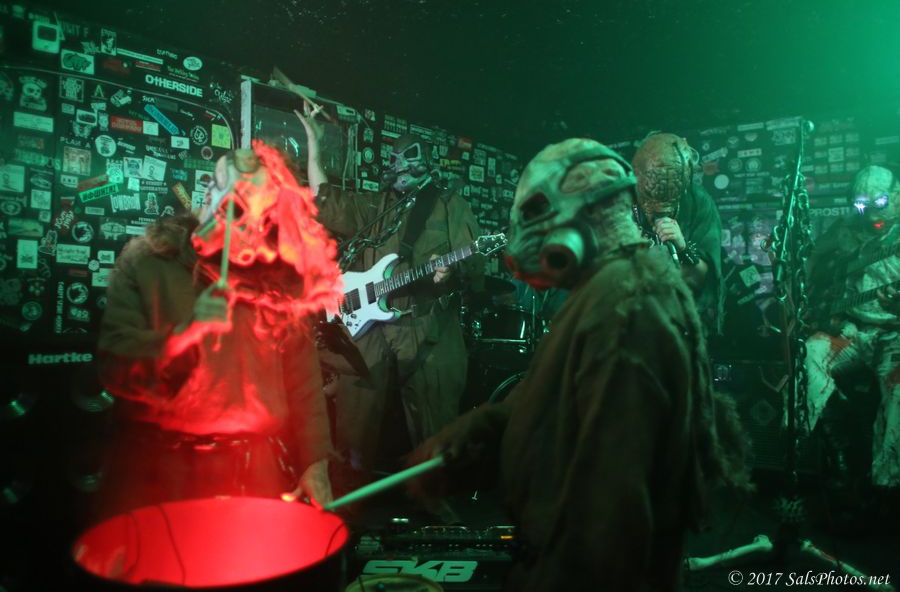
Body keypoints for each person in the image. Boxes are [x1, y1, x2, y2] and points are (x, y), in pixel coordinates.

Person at [407, 138, 751, 591]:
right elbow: (559, 394)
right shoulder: (602, 290)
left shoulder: (632, 306)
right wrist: (488, 432)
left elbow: (618, 498)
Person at [95, 142, 343, 517]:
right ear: (210, 195)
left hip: (254, 472)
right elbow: (114, 365)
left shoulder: (279, 284)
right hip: (162, 473)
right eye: (229, 196)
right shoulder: (148, 262)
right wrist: (186, 335)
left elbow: (303, 381)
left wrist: (314, 460)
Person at [297, 108, 484, 485]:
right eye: (395, 158)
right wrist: (314, 142)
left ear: (424, 161)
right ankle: (346, 496)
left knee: (435, 422)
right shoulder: (377, 206)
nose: (399, 164)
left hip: (426, 323)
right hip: (371, 326)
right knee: (354, 421)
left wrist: (452, 270)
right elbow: (324, 201)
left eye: (408, 157)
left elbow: (474, 259)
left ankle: (433, 498)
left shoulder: (450, 204)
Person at [802, 164, 900, 489]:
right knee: (808, 356)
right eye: (861, 205)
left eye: (880, 203)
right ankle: (838, 440)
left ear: (898, 195)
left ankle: (886, 487)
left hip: (895, 336)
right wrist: (807, 290)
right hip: (851, 331)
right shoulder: (847, 227)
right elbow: (813, 254)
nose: (871, 213)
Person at [632, 132, 724, 333]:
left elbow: (704, 279)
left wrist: (683, 248)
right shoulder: (621, 202)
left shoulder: (699, 202)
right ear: (638, 175)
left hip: (682, 322)